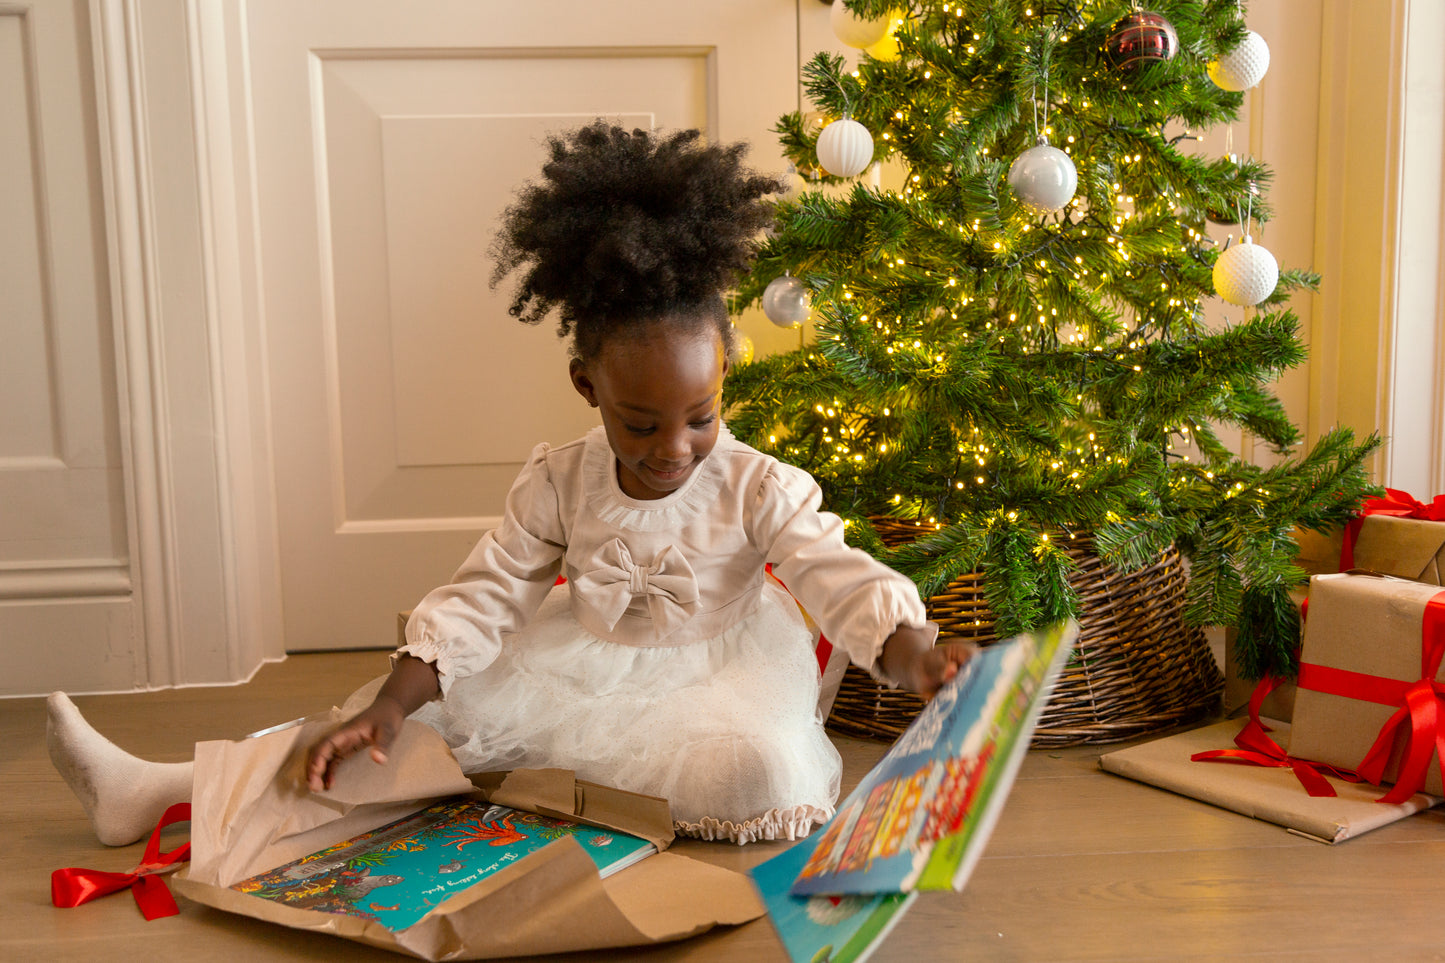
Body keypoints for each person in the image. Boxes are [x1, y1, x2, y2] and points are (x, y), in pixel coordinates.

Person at [49, 122, 974, 847]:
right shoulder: (560, 480)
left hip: (715, 680)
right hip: (568, 667)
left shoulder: (758, 484)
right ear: (589, 388)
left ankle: (553, 793)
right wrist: (388, 699)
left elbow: (834, 576)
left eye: (699, 415)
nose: (674, 449)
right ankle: (165, 788)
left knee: (755, 773)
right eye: (639, 423)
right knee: (386, 738)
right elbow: (485, 593)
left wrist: (915, 653)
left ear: (724, 372)